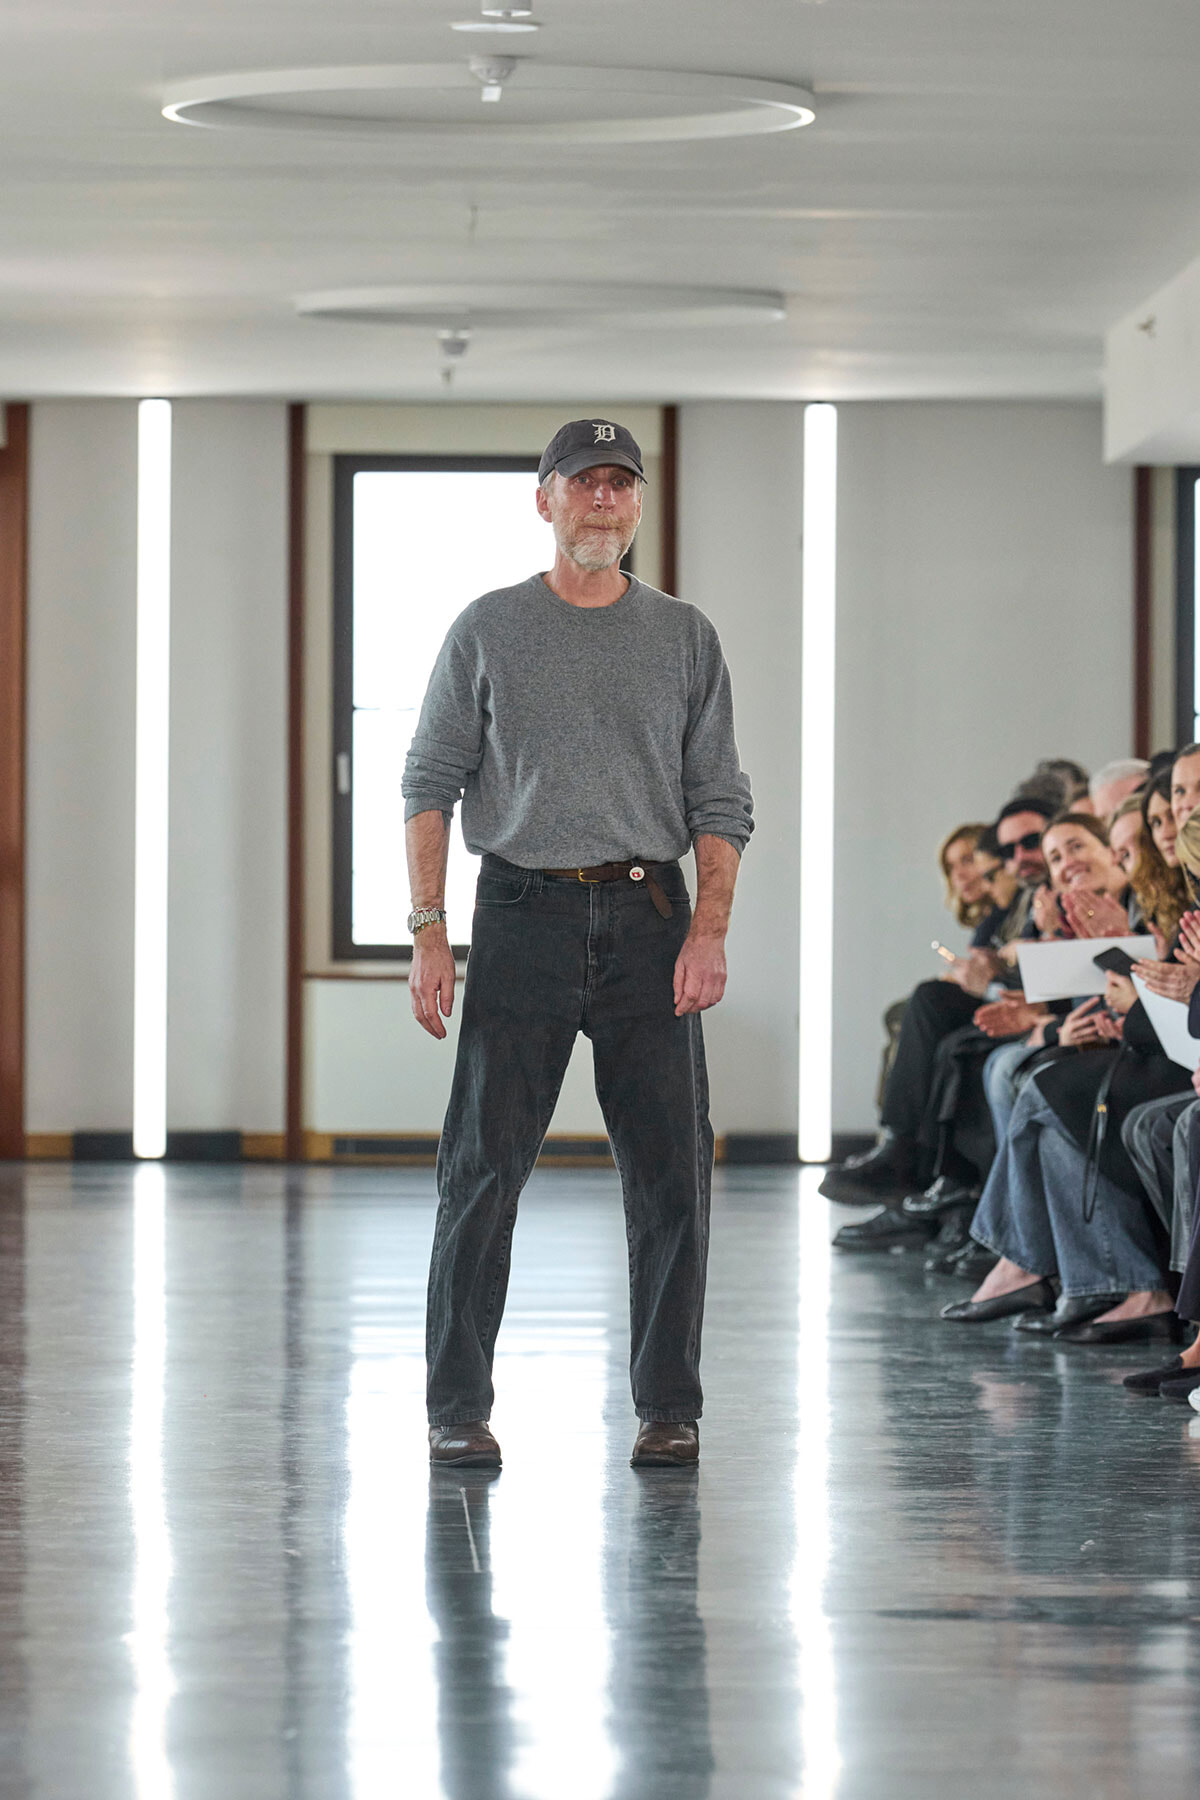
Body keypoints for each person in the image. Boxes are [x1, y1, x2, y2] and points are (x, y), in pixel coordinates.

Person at [401, 418, 754, 1472]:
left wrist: (710, 929)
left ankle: (669, 1408)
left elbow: (721, 796)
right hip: (520, 917)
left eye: (620, 486)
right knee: (481, 1172)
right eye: (583, 483)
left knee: (670, 1176)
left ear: (637, 507)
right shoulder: (489, 627)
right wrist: (430, 932)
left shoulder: (685, 636)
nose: (604, 500)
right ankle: (457, 1406)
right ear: (544, 500)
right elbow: (430, 784)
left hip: (652, 921)